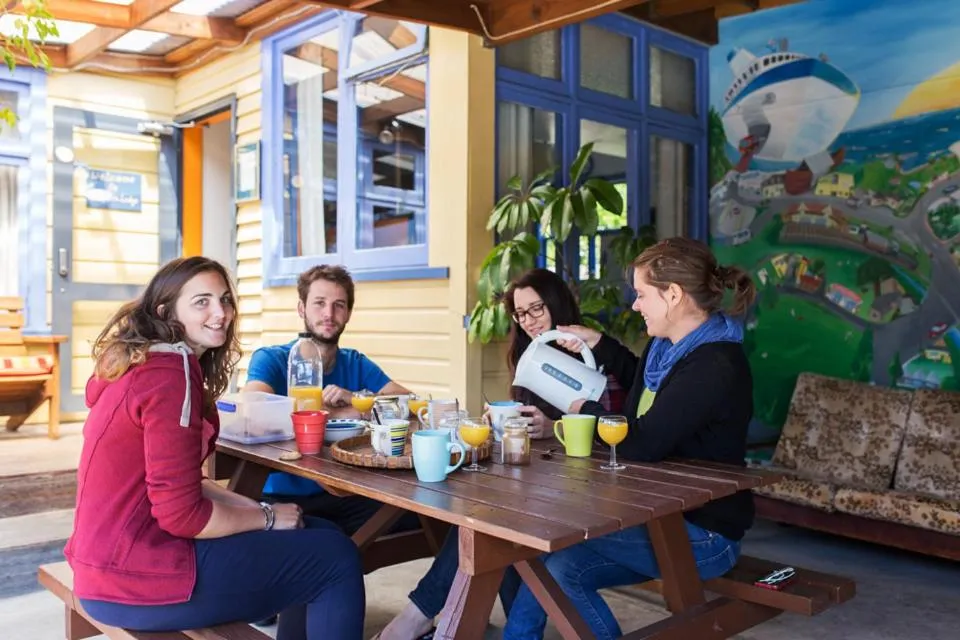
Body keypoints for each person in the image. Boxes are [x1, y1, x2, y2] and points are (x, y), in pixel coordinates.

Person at [64, 257, 365, 640]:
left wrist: (264, 511)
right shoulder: (168, 374)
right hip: (133, 577)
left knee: (315, 531)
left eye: (225, 300)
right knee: (334, 560)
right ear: (166, 311)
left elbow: (180, 485)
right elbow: (182, 516)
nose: (220, 313)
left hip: (108, 563)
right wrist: (268, 520)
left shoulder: (145, 364)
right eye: (201, 302)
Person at [502, 237, 757, 640]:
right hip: (661, 515)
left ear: (673, 295)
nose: (635, 305)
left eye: (641, 295)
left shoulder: (715, 364)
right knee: (557, 566)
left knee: (546, 548)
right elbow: (648, 383)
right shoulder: (668, 351)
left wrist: (580, 408)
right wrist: (598, 343)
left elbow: (643, 442)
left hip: (704, 533)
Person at [376, 268, 623, 640]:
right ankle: (492, 624)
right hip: (541, 483)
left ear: (556, 303)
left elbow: (611, 425)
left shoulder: (593, 352)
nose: (529, 321)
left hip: (587, 490)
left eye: (536, 309)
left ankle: (419, 617)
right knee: (482, 521)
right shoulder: (528, 355)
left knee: (492, 527)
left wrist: (552, 424)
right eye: (520, 314)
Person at [244, 264, 419, 535]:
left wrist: (356, 399)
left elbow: (408, 401)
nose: (329, 313)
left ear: (348, 313)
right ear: (301, 309)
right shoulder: (273, 358)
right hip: (285, 498)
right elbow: (252, 408)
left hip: (350, 492)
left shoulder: (355, 362)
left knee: (432, 519)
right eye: (319, 303)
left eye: (339, 305)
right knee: (332, 547)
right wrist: (338, 415)